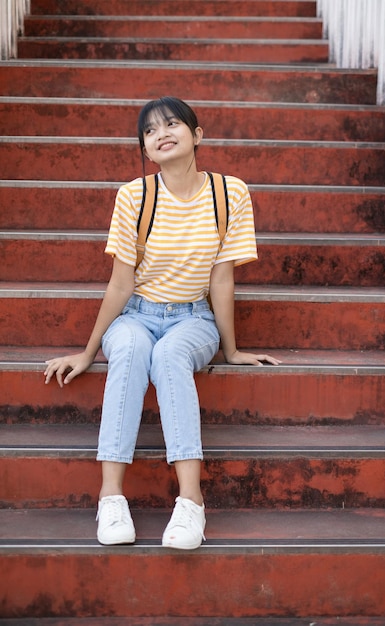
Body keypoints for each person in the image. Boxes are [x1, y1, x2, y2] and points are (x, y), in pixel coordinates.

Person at [44, 96, 280, 550]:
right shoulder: (135, 194)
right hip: (136, 313)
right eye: (150, 131)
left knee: (170, 355)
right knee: (132, 350)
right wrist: (88, 351)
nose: (162, 134)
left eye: (172, 124)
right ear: (146, 149)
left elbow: (222, 278)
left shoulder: (230, 193)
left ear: (197, 135)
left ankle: (191, 503)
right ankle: (110, 498)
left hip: (192, 317)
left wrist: (230, 350)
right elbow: (119, 284)